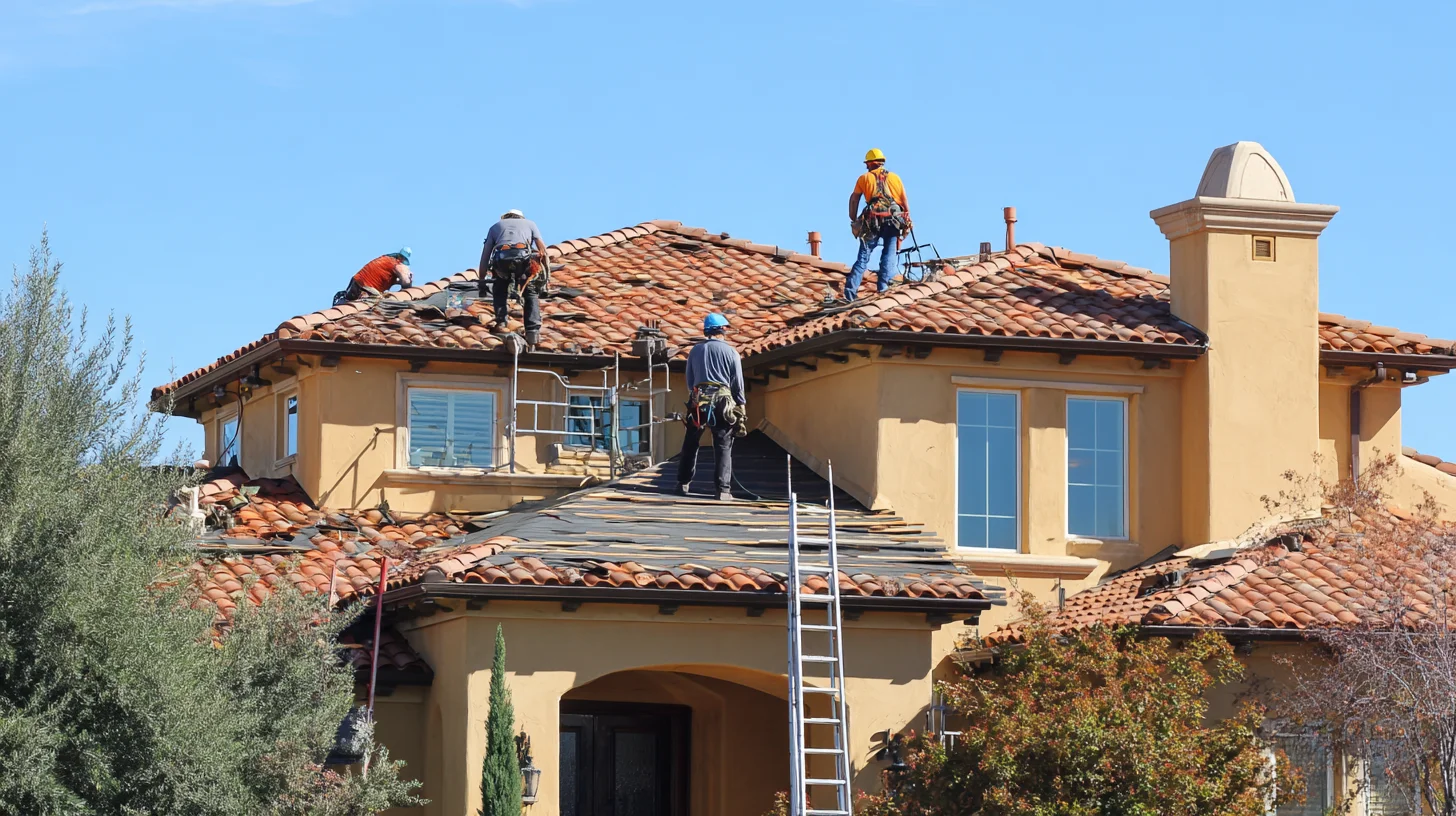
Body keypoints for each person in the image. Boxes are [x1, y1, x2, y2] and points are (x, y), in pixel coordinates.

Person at [676, 313, 747, 501]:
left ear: (706, 331)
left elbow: (690, 380)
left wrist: (695, 396)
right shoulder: (732, 353)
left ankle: (682, 483)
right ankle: (723, 490)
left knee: (691, 442)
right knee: (723, 444)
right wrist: (741, 405)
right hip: (722, 402)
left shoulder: (695, 351)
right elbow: (737, 384)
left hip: (698, 401)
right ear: (723, 329)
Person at [844, 148, 910, 301]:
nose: (866, 167)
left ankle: (850, 293)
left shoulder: (864, 178)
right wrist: (907, 219)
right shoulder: (895, 178)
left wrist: (853, 218)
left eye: (867, 164)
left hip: (871, 222)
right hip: (892, 221)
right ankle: (883, 290)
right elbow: (904, 200)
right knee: (889, 254)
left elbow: (854, 199)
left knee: (863, 257)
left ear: (871, 163)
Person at [479, 209, 549, 348]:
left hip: (502, 260)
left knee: (500, 288)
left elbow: (485, 256)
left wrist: (482, 282)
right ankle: (532, 331)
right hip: (523, 259)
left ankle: (502, 323)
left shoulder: (495, 227)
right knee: (530, 293)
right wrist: (546, 279)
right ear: (521, 217)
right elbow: (543, 251)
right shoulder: (530, 224)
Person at [334, 248, 413, 305]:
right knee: (380, 303)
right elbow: (406, 281)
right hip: (364, 288)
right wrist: (408, 290)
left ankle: (344, 302)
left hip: (355, 283)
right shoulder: (397, 264)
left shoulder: (385, 259)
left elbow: (389, 278)